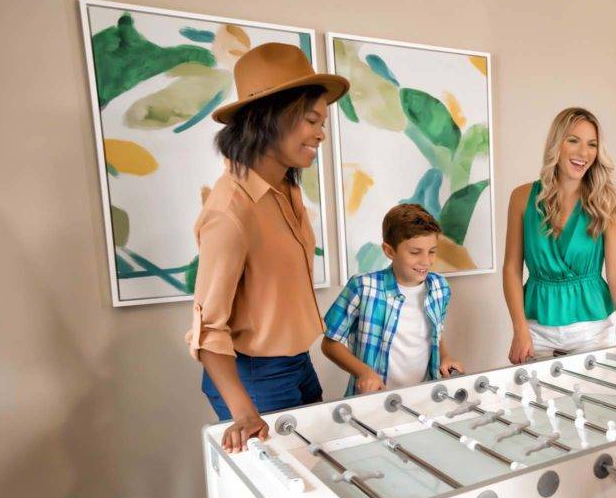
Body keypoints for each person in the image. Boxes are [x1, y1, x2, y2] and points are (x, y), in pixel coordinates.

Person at [186, 43, 349, 453]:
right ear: (271, 118)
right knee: (293, 491)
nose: (321, 134)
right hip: (255, 374)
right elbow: (208, 332)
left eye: (322, 122)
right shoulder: (230, 210)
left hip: (296, 361)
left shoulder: (285, 189)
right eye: (312, 120)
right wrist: (243, 412)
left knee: (317, 469)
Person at [502, 107, 616, 363]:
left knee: (596, 401)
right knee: (538, 403)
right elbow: (510, 269)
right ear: (556, 144)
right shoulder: (522, 198)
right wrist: (519, 329)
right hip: (537, 328)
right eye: (573, 140)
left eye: (592, 145)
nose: (584, 153)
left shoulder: (608, 201)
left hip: (592, 329)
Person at [322, 204, 462, 396]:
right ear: (389, 251)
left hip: (423, 397)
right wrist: (364, 372)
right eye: (415, 252)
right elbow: (330, 343)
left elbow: (435, 334)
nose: (426, 261)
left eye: (432, 251)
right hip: (374, 401)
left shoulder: (440, 287)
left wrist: (445, 357)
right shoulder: (363, 287)